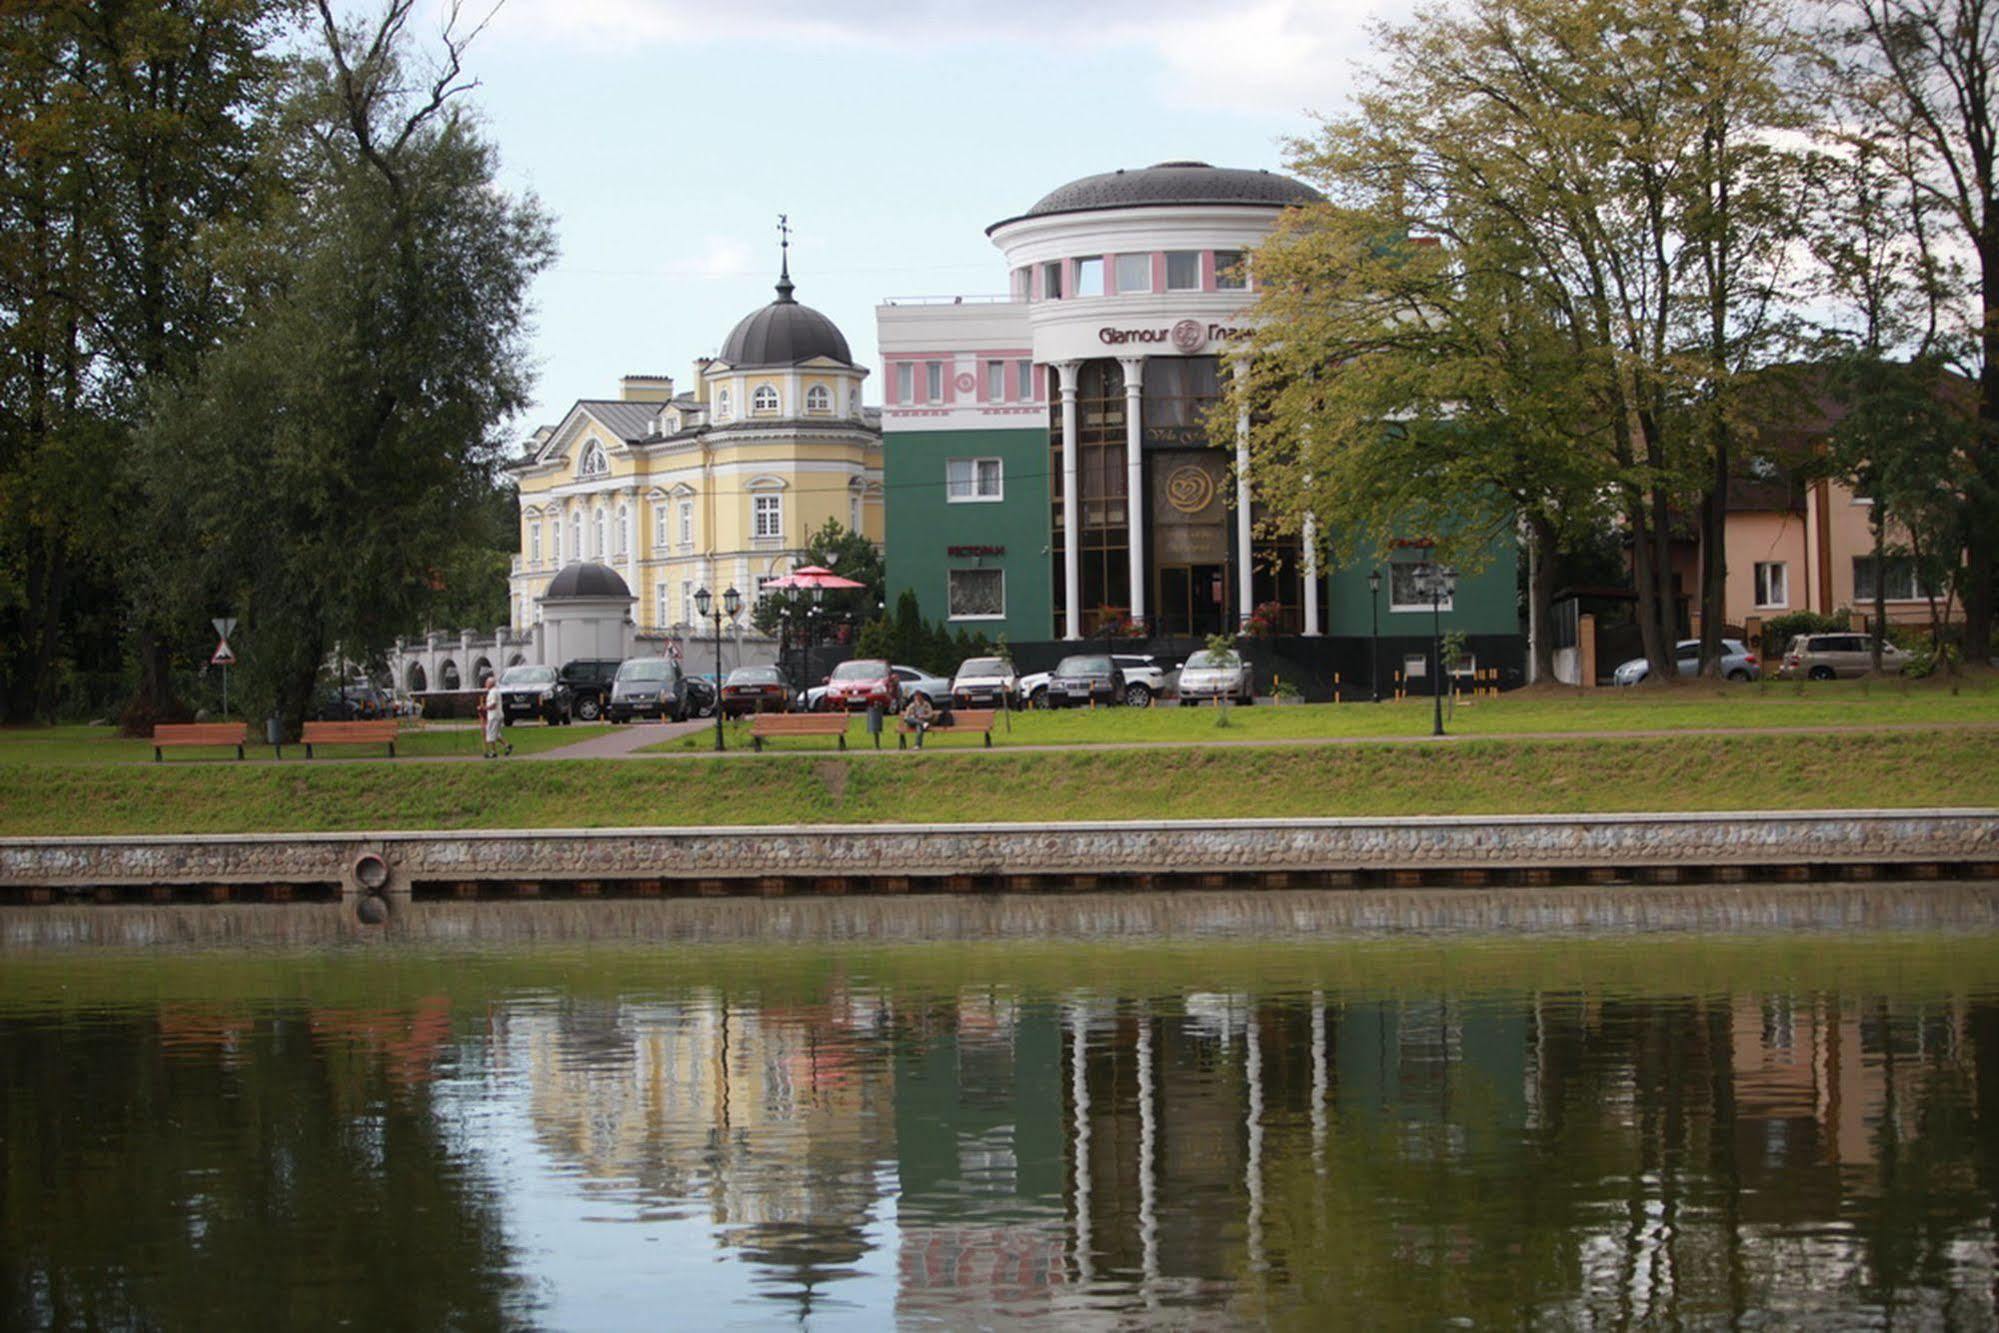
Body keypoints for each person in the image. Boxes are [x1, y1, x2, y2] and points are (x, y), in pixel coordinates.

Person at [479, 672, 510, 758]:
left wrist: (483, 708)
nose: (485, 684)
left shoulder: (493, 692)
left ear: (490, 683)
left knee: (490, 734)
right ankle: (507, 746)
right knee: (495, 734)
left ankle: (493, 752)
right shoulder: (496, 691)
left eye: (486, 682)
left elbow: (493, 705)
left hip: (494, 716)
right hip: (498, 715)